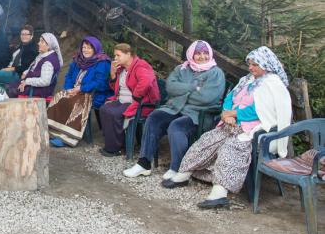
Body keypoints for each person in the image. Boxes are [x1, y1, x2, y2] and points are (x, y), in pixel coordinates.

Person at [165, 46, 291, 209]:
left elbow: (261, 110)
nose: (250, 68)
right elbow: (230, 97)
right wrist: (226, 113)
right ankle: (184, 174)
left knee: (231, 148)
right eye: (249, 64)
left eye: (255, 65)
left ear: (265, 65)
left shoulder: (273, 84)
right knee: (207, 140)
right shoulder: (247, 80)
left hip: (254, 129)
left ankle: (220, 192)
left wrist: (235, 114)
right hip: (231, 123)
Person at [123, 40, 226, 178]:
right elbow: (170, 87)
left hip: (198, 115)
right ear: (191, 54)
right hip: (174, 108)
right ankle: (144, 164)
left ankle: (177, 168)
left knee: (177, 126)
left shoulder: (216, 73)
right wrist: (192, 87)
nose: (202, 56)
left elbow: (207, 97)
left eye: (205, 53)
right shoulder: (182, 69)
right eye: (198, 53)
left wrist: (181, 91)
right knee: (154, 117)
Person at [47, 36, 112, 147]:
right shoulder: (77, 60)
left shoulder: (102, 62)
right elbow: (69, 76)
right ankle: (53, 131)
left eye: (89, 48)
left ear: (95, 49)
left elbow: (100, 83)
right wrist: (69, 89)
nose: (85, 50)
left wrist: (81, 88)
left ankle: (67, 137)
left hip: (94, 94)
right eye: (84, 47)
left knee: (75, 103)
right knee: (59, 97)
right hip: (75, 90)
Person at [99, 43, 159, 156]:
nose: (115, 58)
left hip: (140, 103)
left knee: (114, 113)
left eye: (118, 55)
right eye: (114, 55)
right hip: (122, 100)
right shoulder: (121, 69)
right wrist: (112, 74)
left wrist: (135, 97)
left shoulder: (140, 66)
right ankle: (114, 144)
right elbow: (115, 88)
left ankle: (118, 148)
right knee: (104, 109)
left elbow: (146, 81)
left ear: (128, 54)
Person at [7, 32, 62, 99]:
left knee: (11, 91)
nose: (38, 43)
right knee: (9, 86)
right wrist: (26, 72)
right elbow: (33, 66)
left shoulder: (48, 61)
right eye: (39, 41)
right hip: (33, 84)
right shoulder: (42, 55)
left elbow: (45, 81)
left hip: (40, 90)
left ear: (48, 46)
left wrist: (27, 81)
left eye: (42, 42)